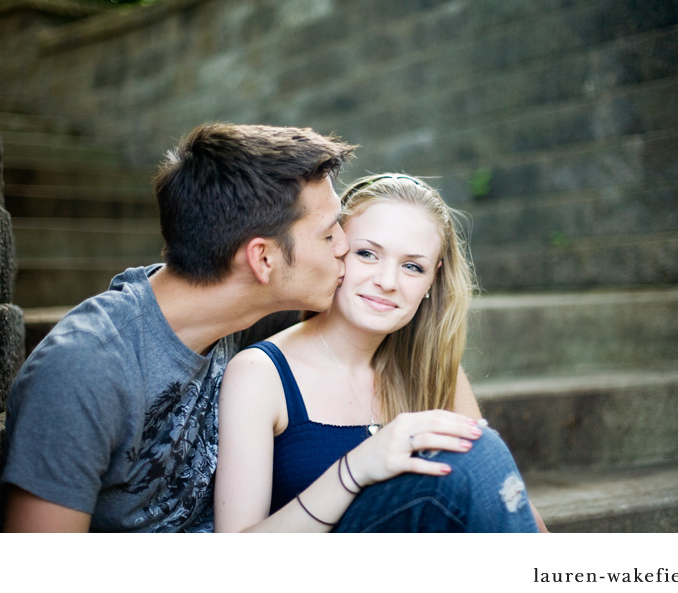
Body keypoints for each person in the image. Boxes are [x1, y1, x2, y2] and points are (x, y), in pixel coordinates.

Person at [1, 122, 363, 532]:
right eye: (329, 232)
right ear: (262, 259)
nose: (344, 246)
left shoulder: (249, 315)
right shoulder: (85, 368)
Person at [214, 174, 546, 532]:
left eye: (411, 266)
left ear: (432, 279)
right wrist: (354, 470)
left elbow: (502, 498)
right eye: (367, 254)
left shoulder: (431, 368)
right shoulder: (259, 373)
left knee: (481, 451)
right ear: (335, 249)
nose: (387, 281)